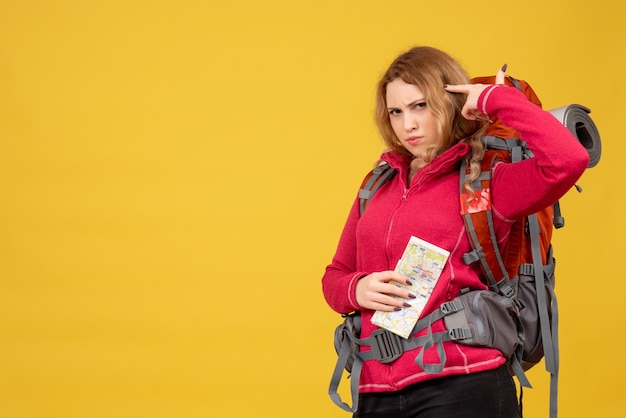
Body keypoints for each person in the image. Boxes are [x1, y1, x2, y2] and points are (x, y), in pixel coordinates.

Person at [322, 46, 589, 418]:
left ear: (448, 103)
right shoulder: (377, 185)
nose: (407, 125)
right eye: (396, 112)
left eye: (420, 106)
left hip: (463, 382)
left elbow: (569, 159)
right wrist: (358, 289)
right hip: (376, 389)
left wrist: (497, 101)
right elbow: (333, 278)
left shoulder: (484, 182)